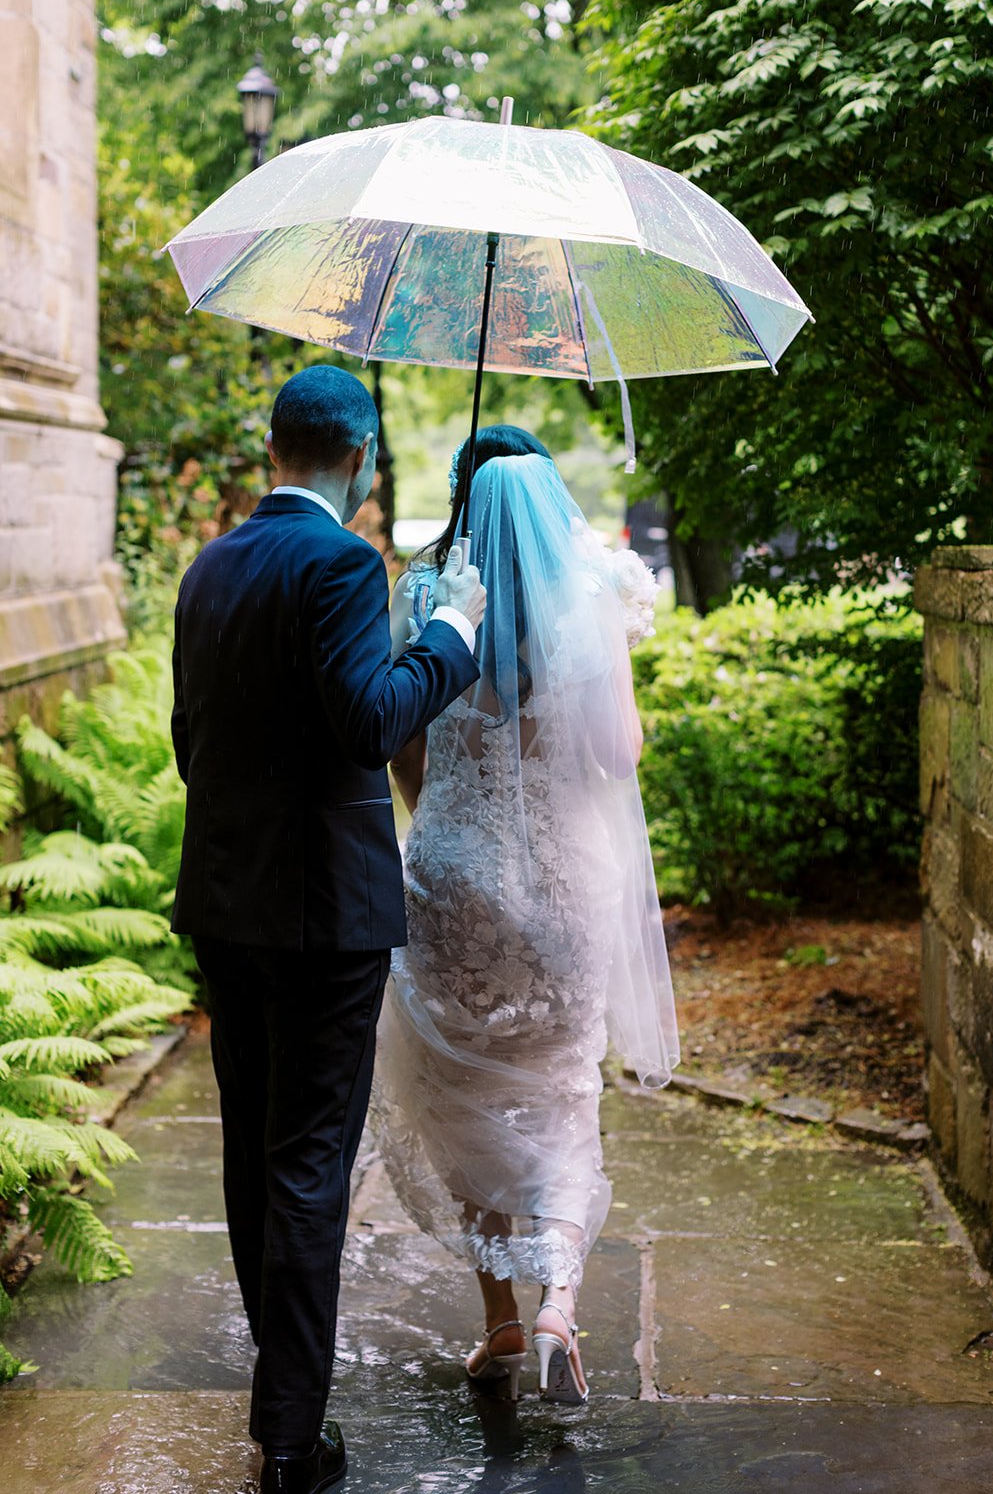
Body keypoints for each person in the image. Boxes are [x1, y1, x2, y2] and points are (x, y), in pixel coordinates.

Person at [170, 364, 486, 1494]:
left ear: (273, 449)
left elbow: (185, 737)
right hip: (323, 920)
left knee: (255, 1157)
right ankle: (292, 1444)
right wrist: (450, 633)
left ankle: (282, 1395)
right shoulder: (343, 562)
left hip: (226, 901)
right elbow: (368, 723)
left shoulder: (209, 567)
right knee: (307, 1163)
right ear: (358, 457)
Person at [371, 426, 679, 1407]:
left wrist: (451, 826)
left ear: (465, 501)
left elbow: (402, 742)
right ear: (550, 507)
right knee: (560, 1089)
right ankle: (559, 1311)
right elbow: (618, 754)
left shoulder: (428, 598)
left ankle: (499, 1315)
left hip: (453, 878)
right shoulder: (585, 602)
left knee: (457, 1088)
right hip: (562, 885)